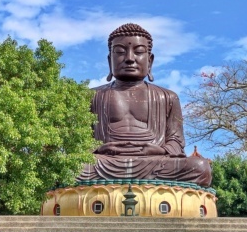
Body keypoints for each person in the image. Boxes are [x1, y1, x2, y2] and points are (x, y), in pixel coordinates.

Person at [79, 24, 212, 185]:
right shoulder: (91, 97)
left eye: (139, 51)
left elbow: (176, 141)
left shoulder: (167, 97)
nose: (129, 58)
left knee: (200, 166)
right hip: (105, 162)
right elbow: (80, 142)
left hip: (154, 162)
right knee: (72, 167)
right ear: (109, 60)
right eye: (120, 52)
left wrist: (161, 150)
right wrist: (100, 148)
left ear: (150, 60)